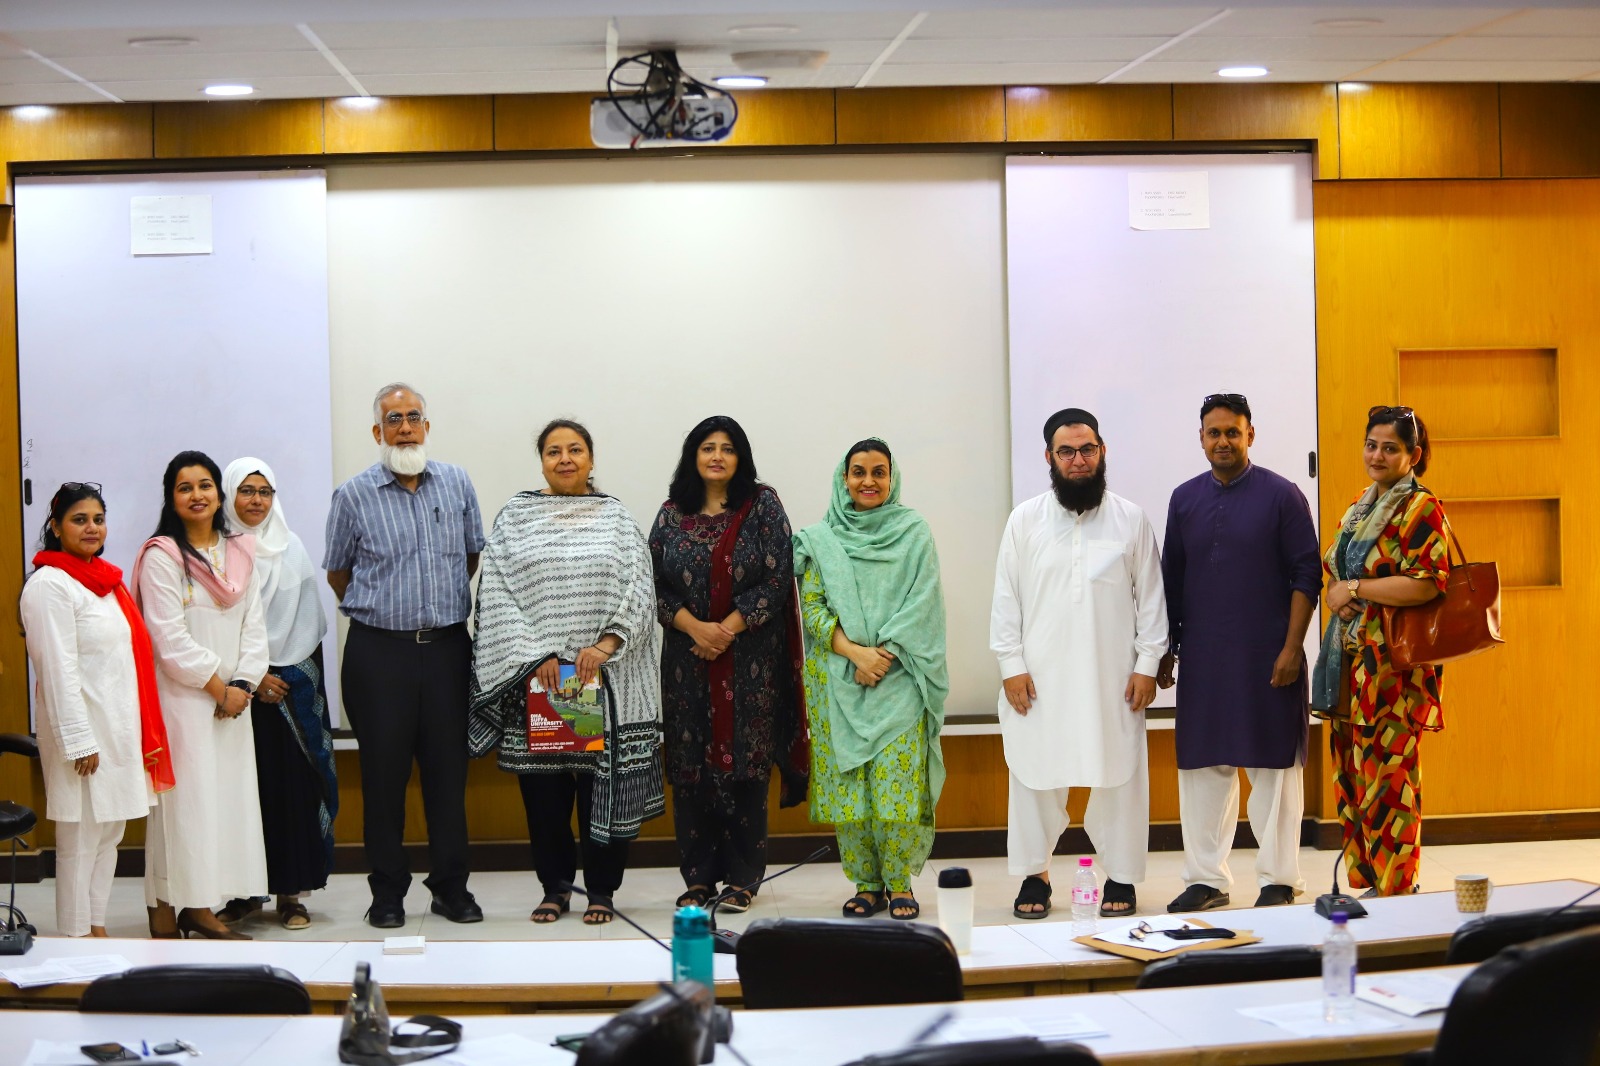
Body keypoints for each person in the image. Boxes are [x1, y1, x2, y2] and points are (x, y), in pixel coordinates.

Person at [468, 420, 663, 925]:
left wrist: (606, 644)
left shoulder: (616, 518)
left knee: (602, 789)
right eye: (553, 451)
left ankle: (601, 890)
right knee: (546, 796)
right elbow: (497, 592)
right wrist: (539, 656)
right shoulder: (515, 517)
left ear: (591, 459)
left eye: (575, 449)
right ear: (541, 462)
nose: (565, 459)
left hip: (608, 679)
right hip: (543, 681)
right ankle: (555, 888)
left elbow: (641, 587)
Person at [992, 408, 1167, 919]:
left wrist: (1147, 664)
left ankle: (1121, 875)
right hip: (1038, 677)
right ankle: (1035, 875)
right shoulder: (1024, 519)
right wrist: (1010, 665)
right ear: (1049, 457)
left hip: (1112, 677)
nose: (1078, 460)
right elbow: (1006, 599)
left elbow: (1151, 600)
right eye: (1066, 451)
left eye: (1087, 449)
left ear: (1102, 451)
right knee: (1033, 772)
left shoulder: (1131, 518)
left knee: (1119, 774)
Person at [324, 382, 487, 929]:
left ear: (427, 426)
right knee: (382, 778)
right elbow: (339, 573)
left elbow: (470, 557)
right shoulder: (353, 494)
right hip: (379, 656)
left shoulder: (457, 482)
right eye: (393, 419)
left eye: (414, 417)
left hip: (446, 652)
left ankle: (451, 888)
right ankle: (387, 893)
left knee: (448, 777)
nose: (405, 427)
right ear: (378, 431)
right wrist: (388, 609)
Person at [1158, 394, 1321, 912]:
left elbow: (1307, 575)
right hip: (1205, 658)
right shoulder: (1184, 499)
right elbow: (1172, 579)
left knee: (1275, 769)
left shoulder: (1283, 495)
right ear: (1201, 438)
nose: (1223, 441)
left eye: (1233, 432)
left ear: (1251, 435)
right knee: (1204, 769)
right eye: (1214, 433)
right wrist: (1167, 649)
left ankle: (1279, 879)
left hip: (1269, 656)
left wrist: (1292, 648)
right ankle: (1206, 879)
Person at [649, 416, 809, 913]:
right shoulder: (671, 514)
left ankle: (743, 877)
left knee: (745, 766)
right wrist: (695, 629)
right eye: (707, 447)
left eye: (728, 448)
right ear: (692, 456)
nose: (717, 456)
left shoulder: (762, 506)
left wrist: (724, 631)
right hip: (686, 662)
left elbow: (778, 576)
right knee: (691, 766)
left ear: (741, 457)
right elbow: (652, 582)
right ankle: (698, 878)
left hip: (750, 664)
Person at [793, 439, 947, 920]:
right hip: (840, 679)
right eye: (858, 471)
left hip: (900, 677)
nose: (868, 481)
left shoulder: (913, 532)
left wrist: (884, 656)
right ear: (844, 479)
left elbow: (923, 602)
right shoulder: (822, 539)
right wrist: (856, 653)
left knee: (896, 785)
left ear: (892, 478)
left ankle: (899, 884)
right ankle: (866, 883)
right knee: (852, 789)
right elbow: (811, 606)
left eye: (879, 472)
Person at [20, 483, 171, 938]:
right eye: (79, 519)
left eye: (98, 519)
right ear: (55, 527)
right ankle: (75, 935)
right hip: (82, 736)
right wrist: (79, 741)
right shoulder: (49, 584)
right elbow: (57, 670)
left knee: (109, 835)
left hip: (118, 730)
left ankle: (96, 925)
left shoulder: (106, 582)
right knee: (79, 840)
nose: (91, 528)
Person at [1312, 405, 1448, 898]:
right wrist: (1340, 592)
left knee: (1390, 778)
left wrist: (1354, 589)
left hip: (1392, 670)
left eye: (1391, 448)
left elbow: (1428, 583)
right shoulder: (1361, 505)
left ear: (1414, 454)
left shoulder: (1421, 508)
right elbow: (1336, 574)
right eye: (1371, 445)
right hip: (1350, 663)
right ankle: (1371, 881)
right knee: (1354, 775)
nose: (1377, 455)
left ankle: (1398, 888)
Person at [132, 451, 270, 940]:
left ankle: (201, 905)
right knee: (185, 807)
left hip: (232, 705)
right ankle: (167, 906)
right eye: (185, 487)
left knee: (224, 804)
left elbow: (255, 628)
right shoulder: (162, 556)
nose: (197, 495)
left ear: (218, 493)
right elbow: (167, 639)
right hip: (184, 702)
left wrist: (242, 686)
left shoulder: (241, 552)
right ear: (171, 498)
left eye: (205, 485)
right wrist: (218, 689)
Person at [215, 458, 337, 932]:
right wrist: (254, 674)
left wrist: (279, 674)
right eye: (246, 491)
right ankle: (242, 895)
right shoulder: (216, 552)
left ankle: (291, 893)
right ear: (229, 495)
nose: (256, 500)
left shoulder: (292, 547)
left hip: (291, 688)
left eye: (265, 491)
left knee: (292, 789)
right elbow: (215, 624)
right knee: (243, 794)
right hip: (236, 691)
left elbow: (306, 625)